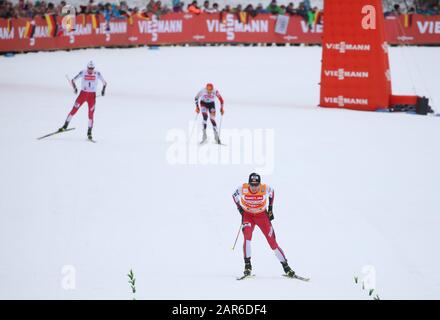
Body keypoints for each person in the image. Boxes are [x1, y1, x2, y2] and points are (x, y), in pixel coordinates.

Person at [232, 173, 296, 278]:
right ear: (249, 184)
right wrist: (240, 208)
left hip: (262, 216)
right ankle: (247, 266)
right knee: (247, 237)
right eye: (252, 185)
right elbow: (234, 195)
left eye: (256, 185)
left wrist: (270, 208)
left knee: (272, 242)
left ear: (259, 184)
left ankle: (286, 266)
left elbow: (272, 193)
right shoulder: (242, 188)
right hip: (248, 216)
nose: (254, 187)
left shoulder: (265, 188)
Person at [59, 61, 107, 141]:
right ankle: (65, 126)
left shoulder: (97, 73)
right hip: (82, 95)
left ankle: (89, 132)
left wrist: (103, 91)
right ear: (87, 67)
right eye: (89, 68)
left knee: (90, 115)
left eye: (92, 68)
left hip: (92, 97)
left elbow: (105, 83)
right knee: (74, 110)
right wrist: (75, 88)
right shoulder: (83, 72)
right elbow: (73, 80)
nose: (90, 70)